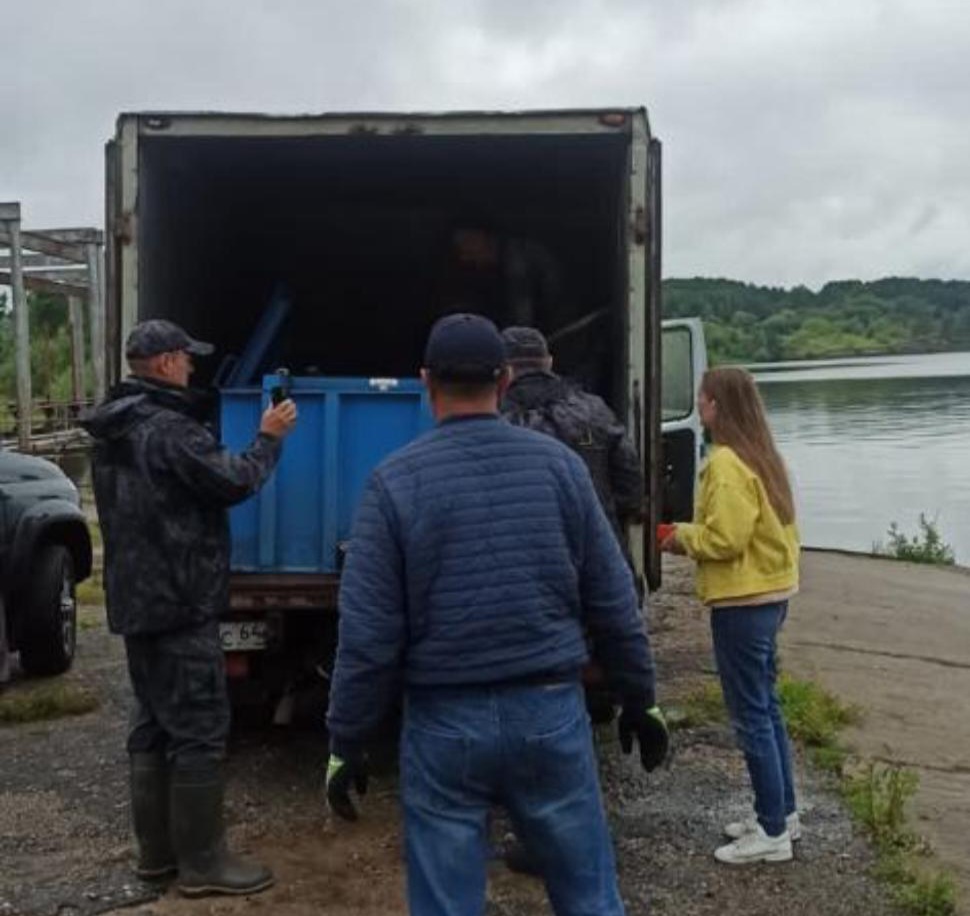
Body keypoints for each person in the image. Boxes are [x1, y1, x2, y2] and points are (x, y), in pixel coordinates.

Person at [324, 313, 667, 916]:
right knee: (588, 895)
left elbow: (368, 636)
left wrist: (346, 740)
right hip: (551, 715)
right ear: (504, 379)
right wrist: (640, 699)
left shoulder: (392, 483)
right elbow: (614, 602)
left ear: (425, 381)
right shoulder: (560, 469)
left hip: (443, 726)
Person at [81, 319, 297, 897]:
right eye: (188, 358)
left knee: (151, 727)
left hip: (137, 601)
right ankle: (204, 866)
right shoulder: (171, 431)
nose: (194, 367)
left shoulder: (112, 427)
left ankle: (156, 859)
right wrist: (270, 436)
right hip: (182, 602)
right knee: (199, 731)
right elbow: (234, 480)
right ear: (168, 362)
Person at [660, 366, 800, 866]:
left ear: (718, 405)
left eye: (703, 397)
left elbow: (725, 539)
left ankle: (770, 833)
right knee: (768, 707)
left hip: (743, 603)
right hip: (771, 596)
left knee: (750, 717)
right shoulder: (762, 456)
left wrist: (672, 535)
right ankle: (783, 812)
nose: (699, 405)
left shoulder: (724, 464)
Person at [499, 325, 643, 562]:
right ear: (549, 362)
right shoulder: (596, 410)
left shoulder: (497, 421)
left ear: (503, 371)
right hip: (598, 554)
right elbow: (630, 488)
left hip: (529, 560)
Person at [438, 220, 561, 326]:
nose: (464, 256)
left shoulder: (520, 263)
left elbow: (522, 321)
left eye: (466, 243)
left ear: (482, 238)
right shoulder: (478, 272)